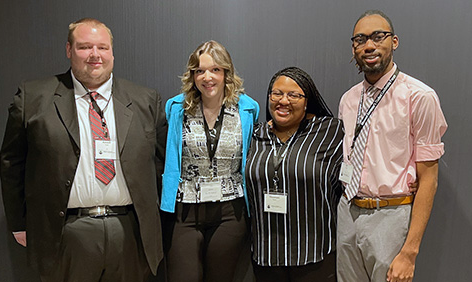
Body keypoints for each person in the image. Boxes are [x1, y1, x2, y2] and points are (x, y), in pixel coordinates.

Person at [0, 18, 167, 282]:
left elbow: (161, 164)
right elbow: (12, 163)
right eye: (85, 47)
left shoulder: (145, 100)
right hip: (65, 234)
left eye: (102, 47)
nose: (95, 55)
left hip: (130, 233)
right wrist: (18, 222)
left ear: (112, 52)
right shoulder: (33, 98)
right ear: (68, 50)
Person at [337, 10, 448, 282]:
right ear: (354, 48)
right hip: (347, 211)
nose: (369, 45)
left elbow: (429, 178)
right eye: (360, 39)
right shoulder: (349, 100)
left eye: (378, 36)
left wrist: (409, 252)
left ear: (394, 42)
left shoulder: (419, 97)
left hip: (390, 214)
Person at [161, 40, 259, 282]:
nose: (208, 77)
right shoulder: (176, 107)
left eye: (215, 69)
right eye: (200, 70)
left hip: (230, 211)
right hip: (185, 209)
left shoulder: (247, 108)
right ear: (192, 75)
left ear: (226, 72)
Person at [245, 67, 343, 281]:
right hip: (265, 253)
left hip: (314, 253)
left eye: (294, 95)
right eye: (277, 93)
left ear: (307, 101)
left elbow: (359, 167)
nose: (284, 101)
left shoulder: (330, 131)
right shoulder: (253, 134)